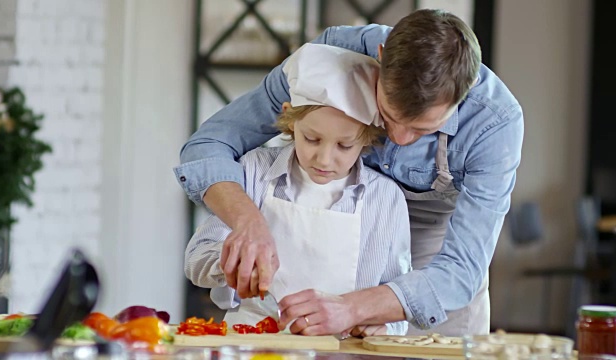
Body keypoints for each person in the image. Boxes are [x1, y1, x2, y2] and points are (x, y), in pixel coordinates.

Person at [174, 9, 524, 336]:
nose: (399, 139)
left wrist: (355, 309)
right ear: (382, 57)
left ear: (462, 96)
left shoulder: (495, 123)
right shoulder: (325, 61)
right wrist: (247, 222)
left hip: (441, 250)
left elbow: (461, 271)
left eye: (423, 129)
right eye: (388, 116)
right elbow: (209, 145)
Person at [183, 43, 411, 336]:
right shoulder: (255, 172)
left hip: (340, 353)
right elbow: (195, 261)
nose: (324, 159)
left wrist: (379, 326)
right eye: (312, 139)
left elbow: (399, 307)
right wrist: (230, 261)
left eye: (344, 145)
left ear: (367, 138)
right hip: (253, 340)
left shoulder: (385, 200)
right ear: (290, 120)